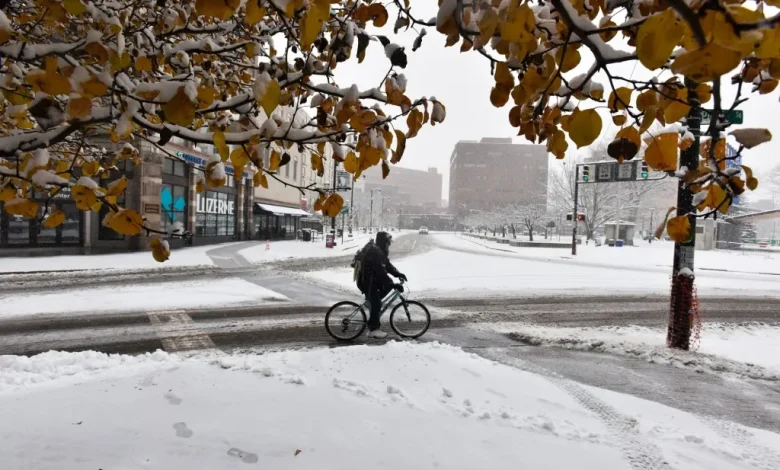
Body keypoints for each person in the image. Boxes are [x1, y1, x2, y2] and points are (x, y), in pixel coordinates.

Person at [356, 231, 407, 338]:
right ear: (384, 242)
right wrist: (393, 284)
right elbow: (381, 273)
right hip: (367, 282)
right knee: (377, 303)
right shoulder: (376, 252)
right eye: (388, 243)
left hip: (370, 281)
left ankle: (371, 305)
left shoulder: (380, 251)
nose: (389, 245)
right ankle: (373, 329)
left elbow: (387, 265)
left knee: (382, 293)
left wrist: (398, 274)